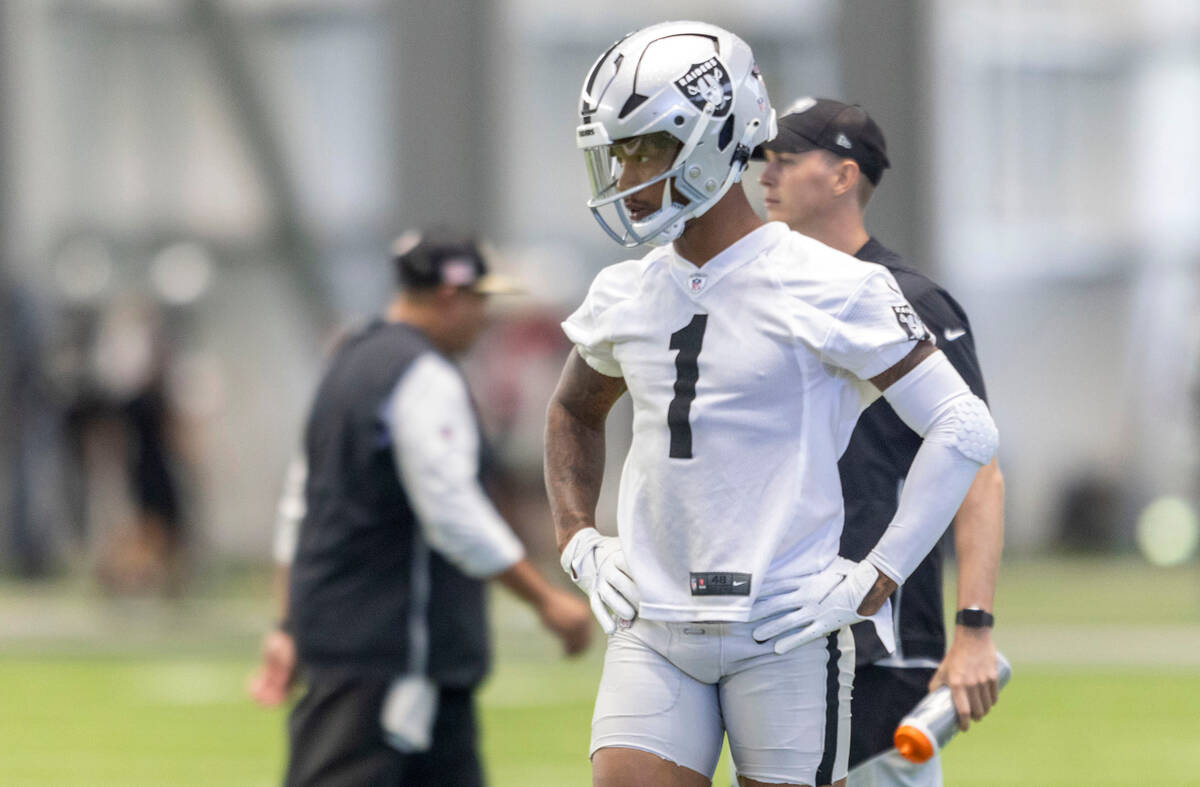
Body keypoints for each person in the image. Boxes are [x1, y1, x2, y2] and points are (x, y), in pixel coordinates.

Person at [545, 21, 999, 787]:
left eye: (645, 147)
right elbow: (572, 410)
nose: (625, 172)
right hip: (652, 626)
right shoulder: (625, 290)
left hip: (785, 628)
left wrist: (875, 575)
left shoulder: (831, 283)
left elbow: (963, 426)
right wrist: (578, 539)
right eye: (619, 151)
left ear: (714, 144)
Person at [261, 230, 593, 786]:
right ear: (448, 295)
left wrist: (286, 623)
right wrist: (546, 601)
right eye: (480, 300)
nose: (486, 317)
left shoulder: (347, 360)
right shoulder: (423, 375)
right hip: (392, 655)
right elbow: (453, 513)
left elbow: (298, 507)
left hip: (370, 650)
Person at [756, 100, 1005, 785]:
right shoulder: (765, 294)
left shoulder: (910, 299)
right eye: (762, 157)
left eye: (785, 157)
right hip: (783, 629)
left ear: (842, 176)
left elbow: (980, 473)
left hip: (879, 639)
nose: (764, 173)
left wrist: (973, 630)